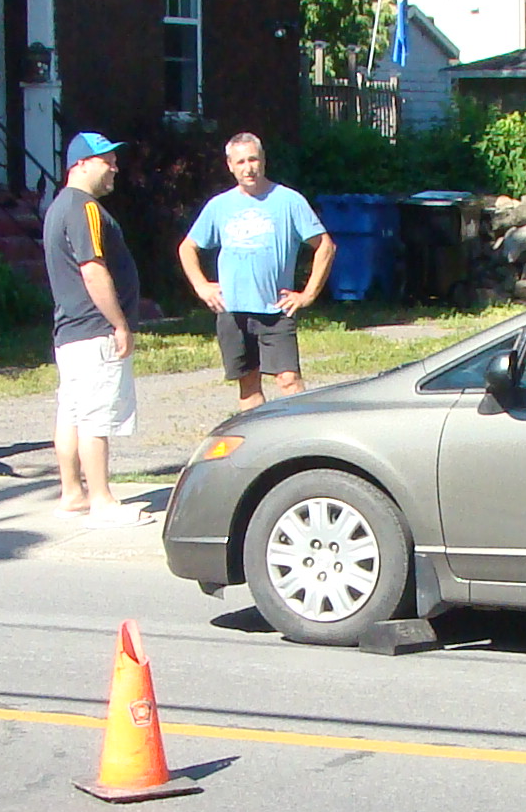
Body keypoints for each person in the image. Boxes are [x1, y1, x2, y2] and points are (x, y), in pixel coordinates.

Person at [177, 131, 336, 412]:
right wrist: (202, 286)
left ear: (263, 160)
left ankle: (299, 444)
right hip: (233, 310)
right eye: (240, 162)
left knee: (289, 381)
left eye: (253, 159)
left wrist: (307, 294)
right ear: (230, 165)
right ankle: (258, 447)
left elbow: (324, 245)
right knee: (248, 386)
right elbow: (187, 247)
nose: (248, 168)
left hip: (276, 310)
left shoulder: (288, 201)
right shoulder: (219, 206)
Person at [43, 132, 140, 520]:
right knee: (96, 419)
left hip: (69, 333)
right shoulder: (83, 208)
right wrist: (119, 323)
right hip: (94, 330)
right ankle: (101, 499)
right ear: (80, 164)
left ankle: (72, 493)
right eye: (106, 160)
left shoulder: (58, 207)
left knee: (72, 414)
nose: (114, 167)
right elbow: (92, 269)